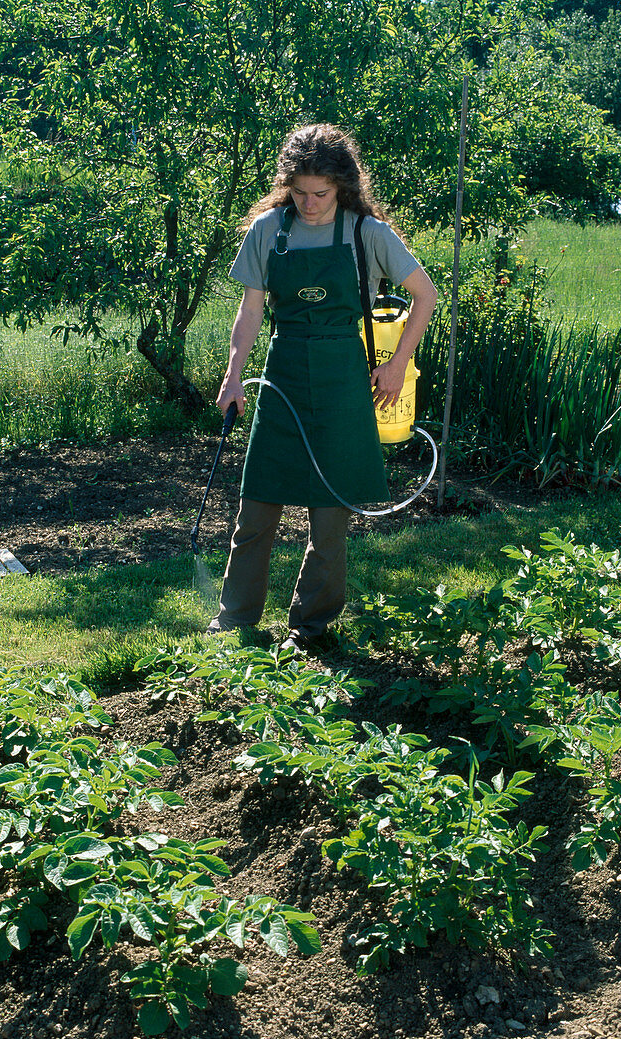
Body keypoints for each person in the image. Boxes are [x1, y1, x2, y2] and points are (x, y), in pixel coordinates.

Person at [208, 123, 438, 651]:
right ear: (285, 184)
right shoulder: (269, 229)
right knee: (257, 504)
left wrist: (398, 364)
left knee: (329, 517)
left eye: (322, 194)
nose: (309, 204)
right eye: (300, 192)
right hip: (284, 374)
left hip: (343, 381)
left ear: (344, 187)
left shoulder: (367, 233)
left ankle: (310, 626)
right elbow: (250, 311)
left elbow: (424, 295)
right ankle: (235, 619)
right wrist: (234, 372)